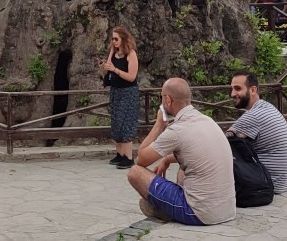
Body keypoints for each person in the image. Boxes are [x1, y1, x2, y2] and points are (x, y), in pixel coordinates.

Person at [126, 78, 235, 226]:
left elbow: (141, 159)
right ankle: (171, 206)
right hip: (226, 210)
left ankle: (165, 210)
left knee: (135, 172)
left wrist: (159, 125)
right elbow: (195, 151)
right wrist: (166, 160)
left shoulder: (177, 129)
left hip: (199, 213)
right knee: (183, 169)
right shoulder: (207, 120)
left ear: (168, 100)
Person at [226, 72, 287, 194]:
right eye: (232, 89)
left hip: (266, 183)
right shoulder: (266, 107)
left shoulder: (253, 116)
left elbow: (220, 144)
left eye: (238, 89)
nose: (232, 94)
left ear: (253, 90)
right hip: (281, 181)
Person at [100, 26, 140, 168]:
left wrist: (115, 70)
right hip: (116, 91)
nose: (114, 41)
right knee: (116, 123)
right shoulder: (113, 52)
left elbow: (131, 77)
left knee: (126, 123)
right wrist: (104, 68)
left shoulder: (131, 54)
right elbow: (108, 72)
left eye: (116, 39)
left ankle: (129, 158)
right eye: (112, 39)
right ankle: (120, 154)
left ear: (123, 39)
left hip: (128, 92)